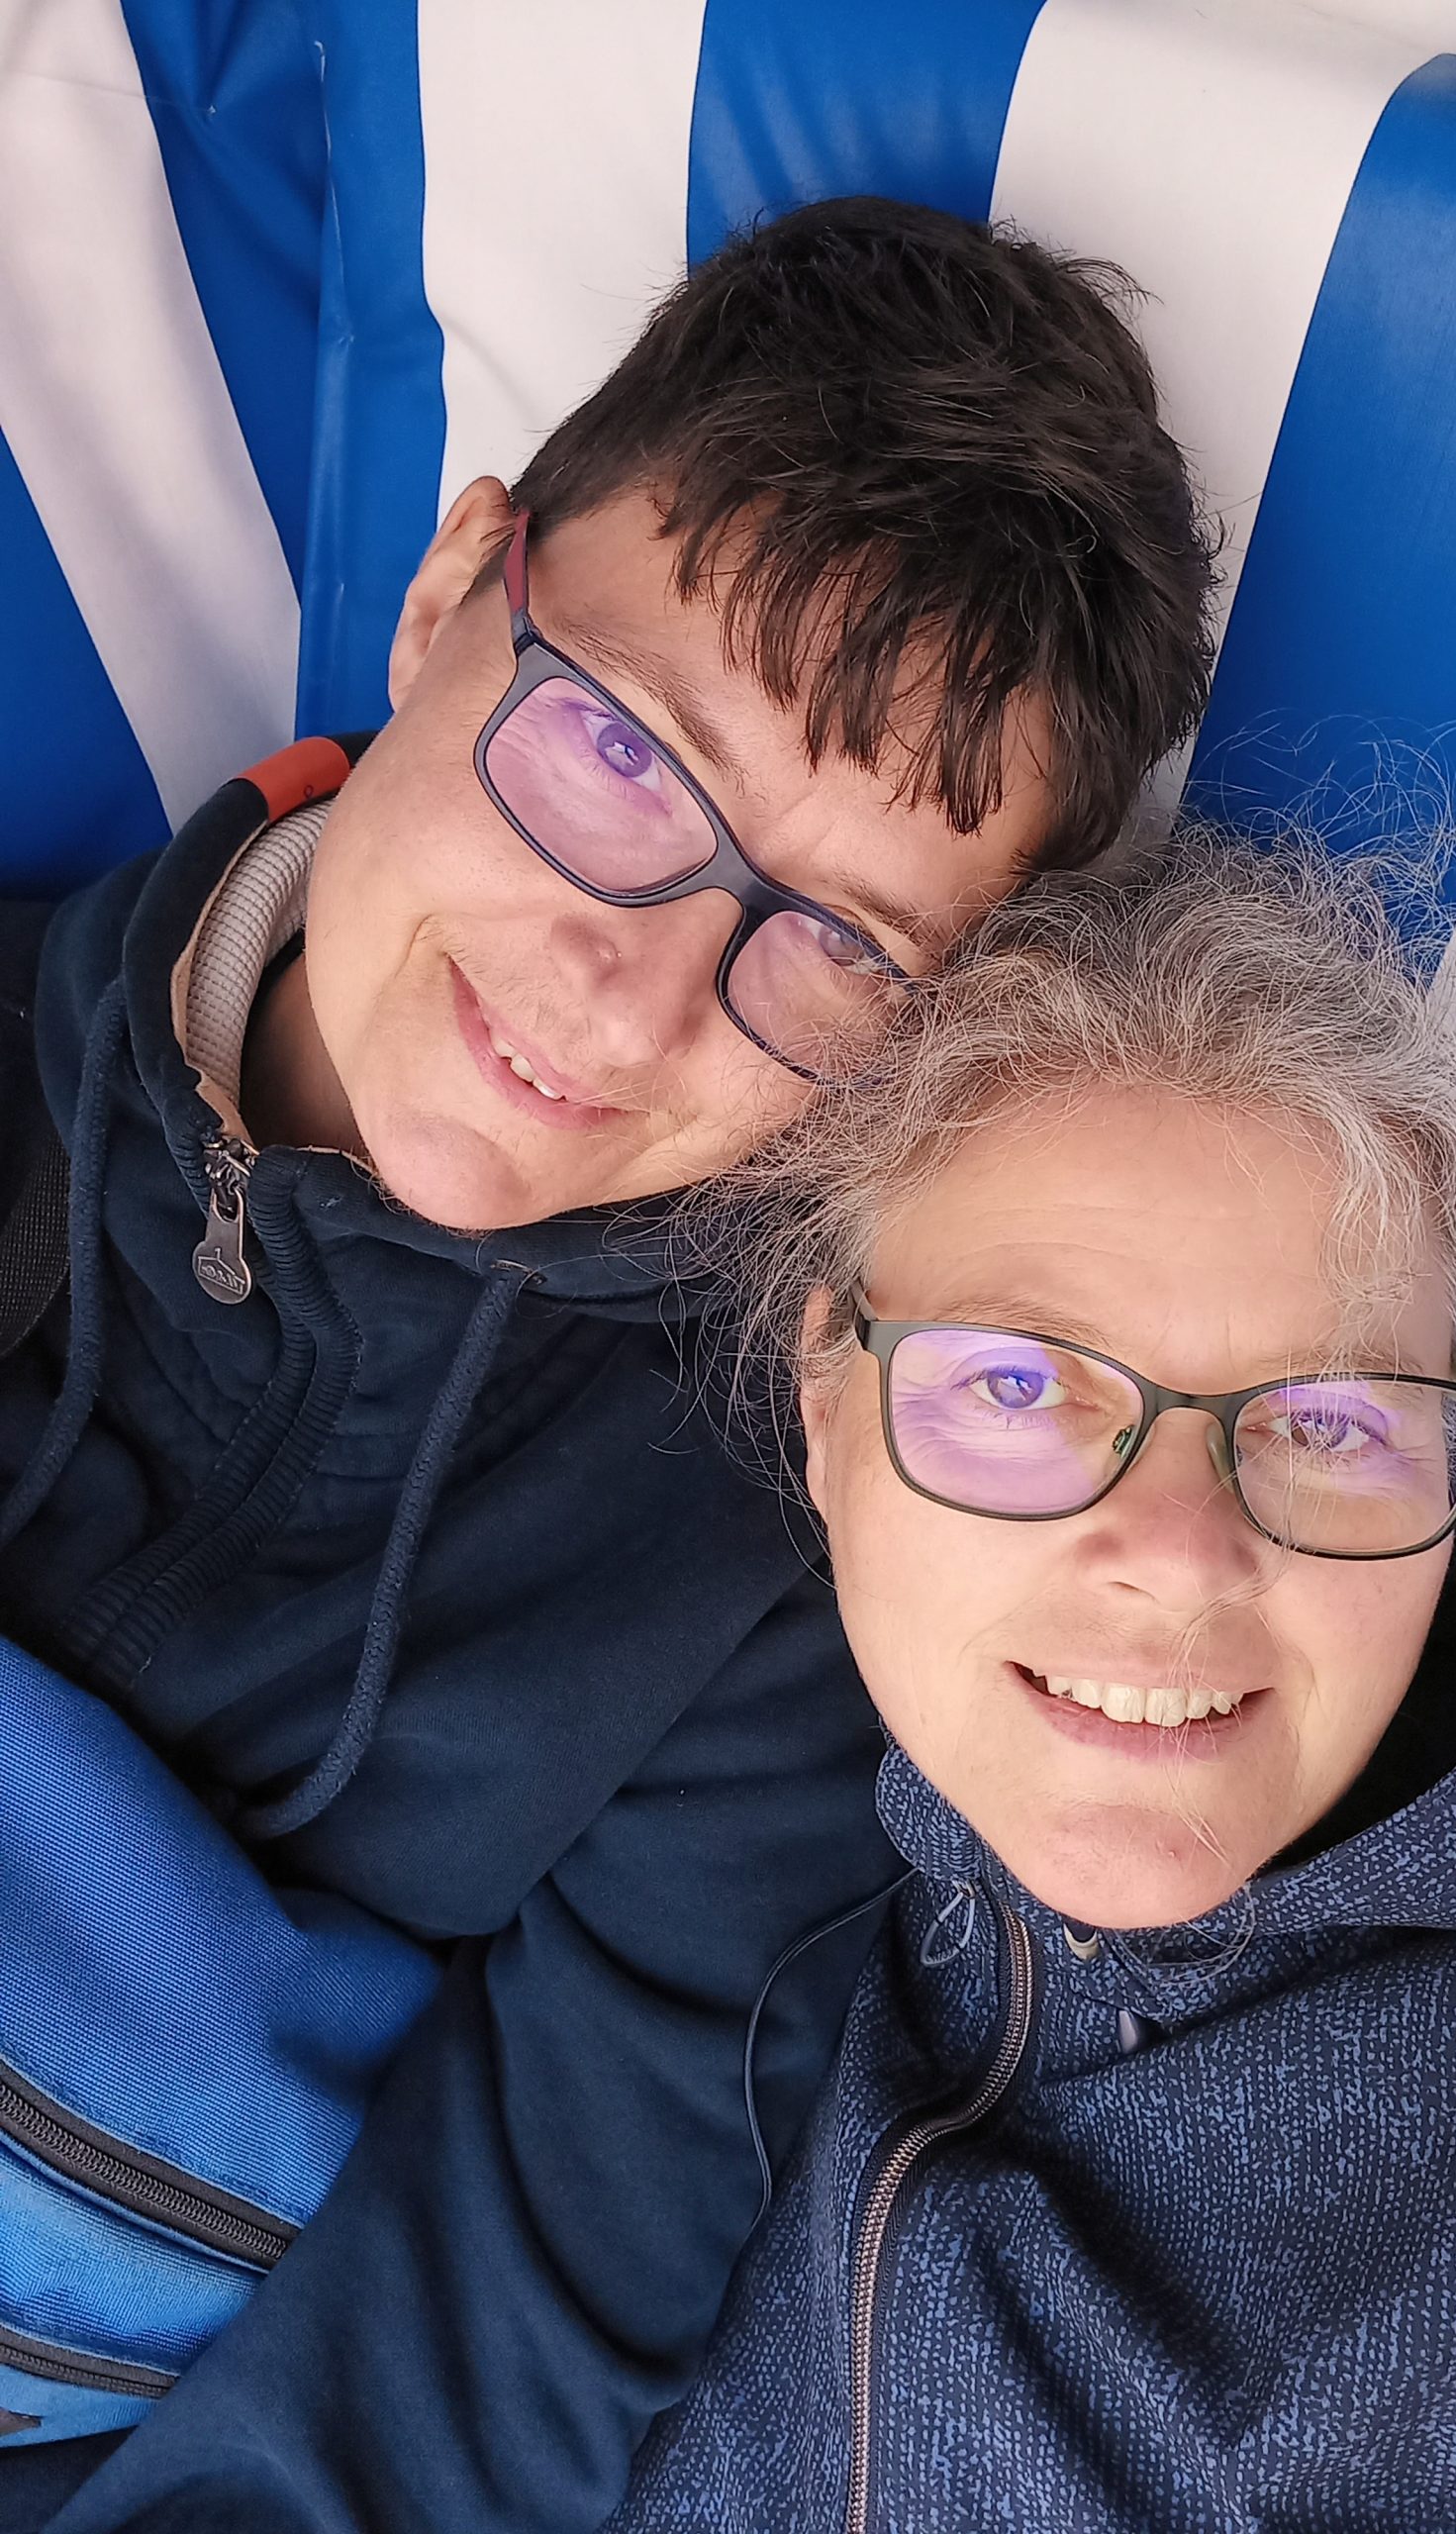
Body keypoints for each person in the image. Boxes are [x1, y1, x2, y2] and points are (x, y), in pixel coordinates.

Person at [0, 199, 1215, 2533]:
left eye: (837, 947)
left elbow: (449, 2386)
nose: (629, 992)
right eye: (623, 761)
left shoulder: (783, 1588)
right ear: (454, 588)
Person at [619, 837, 1456, 2529]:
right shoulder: (702, 1799)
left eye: (1325, 1423)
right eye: (1019, 1386)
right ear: (824, 1404)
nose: (1179, 1557)